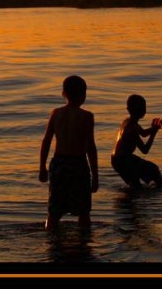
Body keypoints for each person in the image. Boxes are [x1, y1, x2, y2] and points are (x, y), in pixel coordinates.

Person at [39, 75, 99, 230]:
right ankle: (84, 241)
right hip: (78, 164)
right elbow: (90, 148)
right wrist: (95, 176)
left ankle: (51, 237)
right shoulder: (86, 116)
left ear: (63, 93)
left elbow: (46, 142)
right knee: (83, 211)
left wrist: (42, 168)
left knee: (54, 210)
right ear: (84, 95)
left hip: (59, 163)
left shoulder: (56, 113)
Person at [111, 94, 162, 189]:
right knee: (153, 169)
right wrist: (154, 133)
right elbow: (145, 150)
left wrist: (154, 128)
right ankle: (161, 190)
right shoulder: (131, 128)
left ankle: (132, 197)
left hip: (117, 159)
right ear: (143, 111)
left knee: (135, 184)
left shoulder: (128, 121)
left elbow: (143, 133)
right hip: (123, 160)